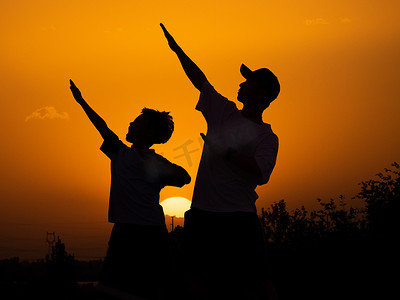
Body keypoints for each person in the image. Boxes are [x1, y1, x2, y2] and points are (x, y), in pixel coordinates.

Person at [160, 24, 280, 299]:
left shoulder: (267, 136)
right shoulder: (223, 110)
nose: (240, 84)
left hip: (239, 217)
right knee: (194, 279)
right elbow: (200, 80)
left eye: (247, 81)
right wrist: (177, 50)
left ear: (262, 93)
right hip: (202, 213)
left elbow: (260, 172)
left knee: (259, 280)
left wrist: (224, 152)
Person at [69, 79, 191, 300]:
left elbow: (184, 176)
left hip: (150, 234)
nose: (130, 124)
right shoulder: (119, 152)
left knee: (156, 291)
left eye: (136, 122)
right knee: (112, 290)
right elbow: (102, 126)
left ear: (150, 133)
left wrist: (155, 167)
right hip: (123, 231)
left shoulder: (154, 161)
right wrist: (81, 101)